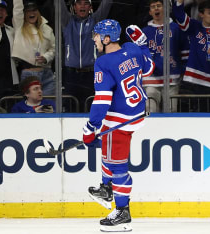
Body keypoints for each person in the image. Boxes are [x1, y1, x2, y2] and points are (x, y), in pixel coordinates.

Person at [83, 19, 154, 231]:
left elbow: (102, 100)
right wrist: (142, 44)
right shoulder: (131, 49)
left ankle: (122, 212)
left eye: (96, 35)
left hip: (119, 120)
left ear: (106, 39)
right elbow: (149, 67)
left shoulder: (103, 63)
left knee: (118, 166)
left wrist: (89, 127)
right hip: (137, 113)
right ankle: (106, 187)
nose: (94, 39)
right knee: (107, 147)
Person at [173, 0, 210, 112]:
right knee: (194, 120)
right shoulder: (194, 26)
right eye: (209, 13)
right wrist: (179, 2)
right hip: (195, 81)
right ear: (201, 14)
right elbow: (179, 15)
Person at [60, 0, 112, 112]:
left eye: (86, 3)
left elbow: (107, 3)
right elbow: (58, 4)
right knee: (70, 108)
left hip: (91, 74)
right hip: (71, 74)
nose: (82, 6)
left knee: (91, 109)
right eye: (79, 3)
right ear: (74, 7)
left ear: (90, 7)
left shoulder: (96, 21)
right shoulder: (67, 21)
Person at [142, 0, 189, 112]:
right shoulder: (144, 32)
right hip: (151, 80)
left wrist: (182, 71)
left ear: (165, 8)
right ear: (150, 12)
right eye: (153, 7)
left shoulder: (176, 28)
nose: (156, 8)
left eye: (158, 6)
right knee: (150, 112)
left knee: (171, 112)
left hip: (172, 79)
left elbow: (185, 51)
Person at [12, 0, 56, 96]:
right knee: (32, 107)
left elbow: (54, 49)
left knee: (49, 107)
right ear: (24, 14)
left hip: (47, 73)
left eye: (34, 10)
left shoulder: (46, 28)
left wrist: (46, 57)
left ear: (38, 12)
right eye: (28, 11)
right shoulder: (19, 26)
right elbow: (17, 8)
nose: (31, 13)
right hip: (29, 74)